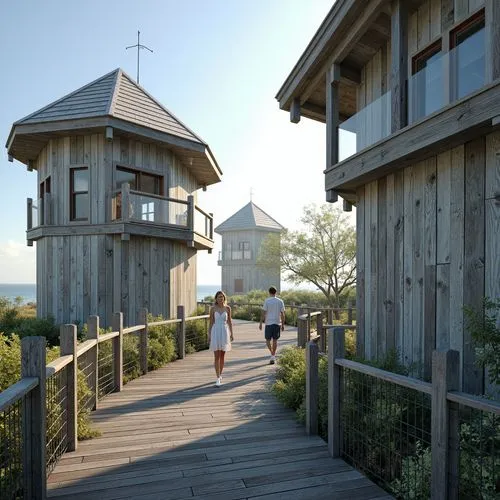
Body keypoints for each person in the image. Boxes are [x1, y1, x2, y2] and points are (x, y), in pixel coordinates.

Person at [208, 290, 234, 387]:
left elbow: (230, 322)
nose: (221, 298)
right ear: (216, 298)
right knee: (216, 356)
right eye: (219, 297)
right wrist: (209, 335)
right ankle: (218, 378)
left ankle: (220, 374)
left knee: (222, 356)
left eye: (222, 297)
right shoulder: (213, 309)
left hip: (224, 331)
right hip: (215, 331)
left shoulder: (228, 308)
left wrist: (232, 334)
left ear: (224, 298)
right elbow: (211, 322)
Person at [259, 286, 285, 364]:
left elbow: (263, 312)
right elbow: (283, 314)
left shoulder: (267, 301)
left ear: (269, 292)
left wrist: (260, 323)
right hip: (277, 322)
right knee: (275, 340)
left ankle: (272, 354)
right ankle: (273, 355)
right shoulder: (280, 301)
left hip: (268, 323)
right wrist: (283, 324)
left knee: (267, 340)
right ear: (275, 292)